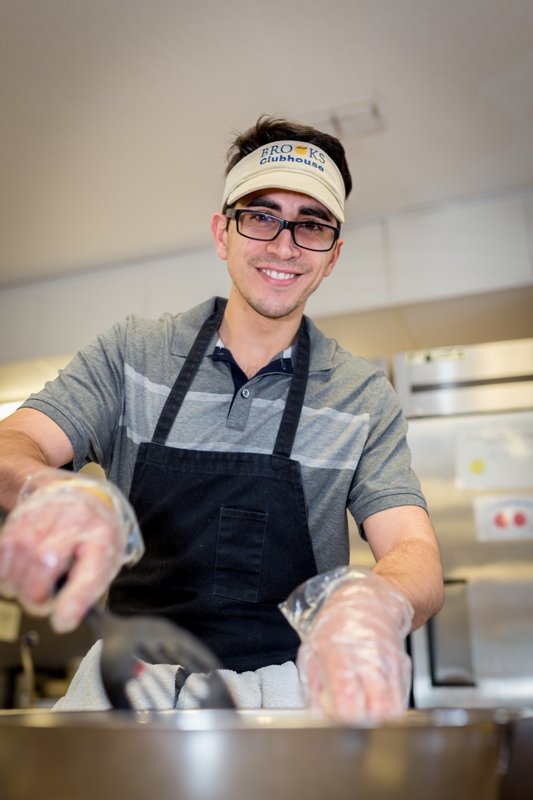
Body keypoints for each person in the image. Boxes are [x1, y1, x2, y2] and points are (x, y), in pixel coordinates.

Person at [0, 116, 443, 718]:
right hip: (122, 698)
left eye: (310, 225)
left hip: (287, 704)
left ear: (333, 256)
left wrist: (381, 601)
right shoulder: (134, 354)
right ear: (222, 232)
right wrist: (41, 484)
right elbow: (16, 440)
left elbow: (415, 552)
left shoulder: (362, 394)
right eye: (261, 216)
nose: (284, 245)